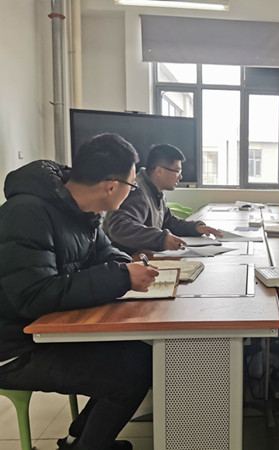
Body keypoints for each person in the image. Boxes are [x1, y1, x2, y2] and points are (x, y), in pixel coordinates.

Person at [0, 133, 160, 450]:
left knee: (144, 355)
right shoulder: (27, 214)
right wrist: (122, 278)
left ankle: (78, 438)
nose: (132, 192)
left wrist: (125, 268)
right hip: (15, 347)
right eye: (132, 185)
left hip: (47, 332)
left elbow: (107, 252)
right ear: (112, 186)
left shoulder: (80, 210)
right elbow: (34, 295)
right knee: (130, 375)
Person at [103, 143, 221, 254]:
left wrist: (196, 228)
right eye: (177, 171)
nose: (180, 176)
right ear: (159, 171)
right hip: (127, 261)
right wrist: (161, 239)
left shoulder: (155, 191)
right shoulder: (138, 191)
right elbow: (119, 228)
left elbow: (169, 222)